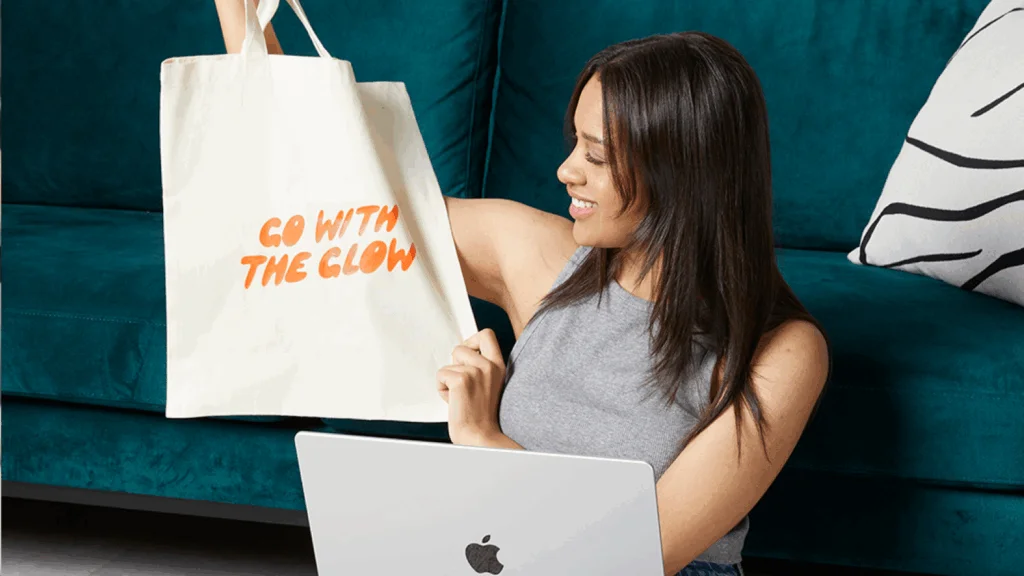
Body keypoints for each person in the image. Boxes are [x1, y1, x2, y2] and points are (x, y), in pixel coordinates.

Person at [215, 3, 830, 575]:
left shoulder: (781, 352)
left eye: (596, 154)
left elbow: (641, 557)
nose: (566, 170)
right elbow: (340, 205)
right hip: (498, 559)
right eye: (574, 144)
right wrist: (242, 13)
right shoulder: (547, 257)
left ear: (685, 171)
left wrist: (485, 441)